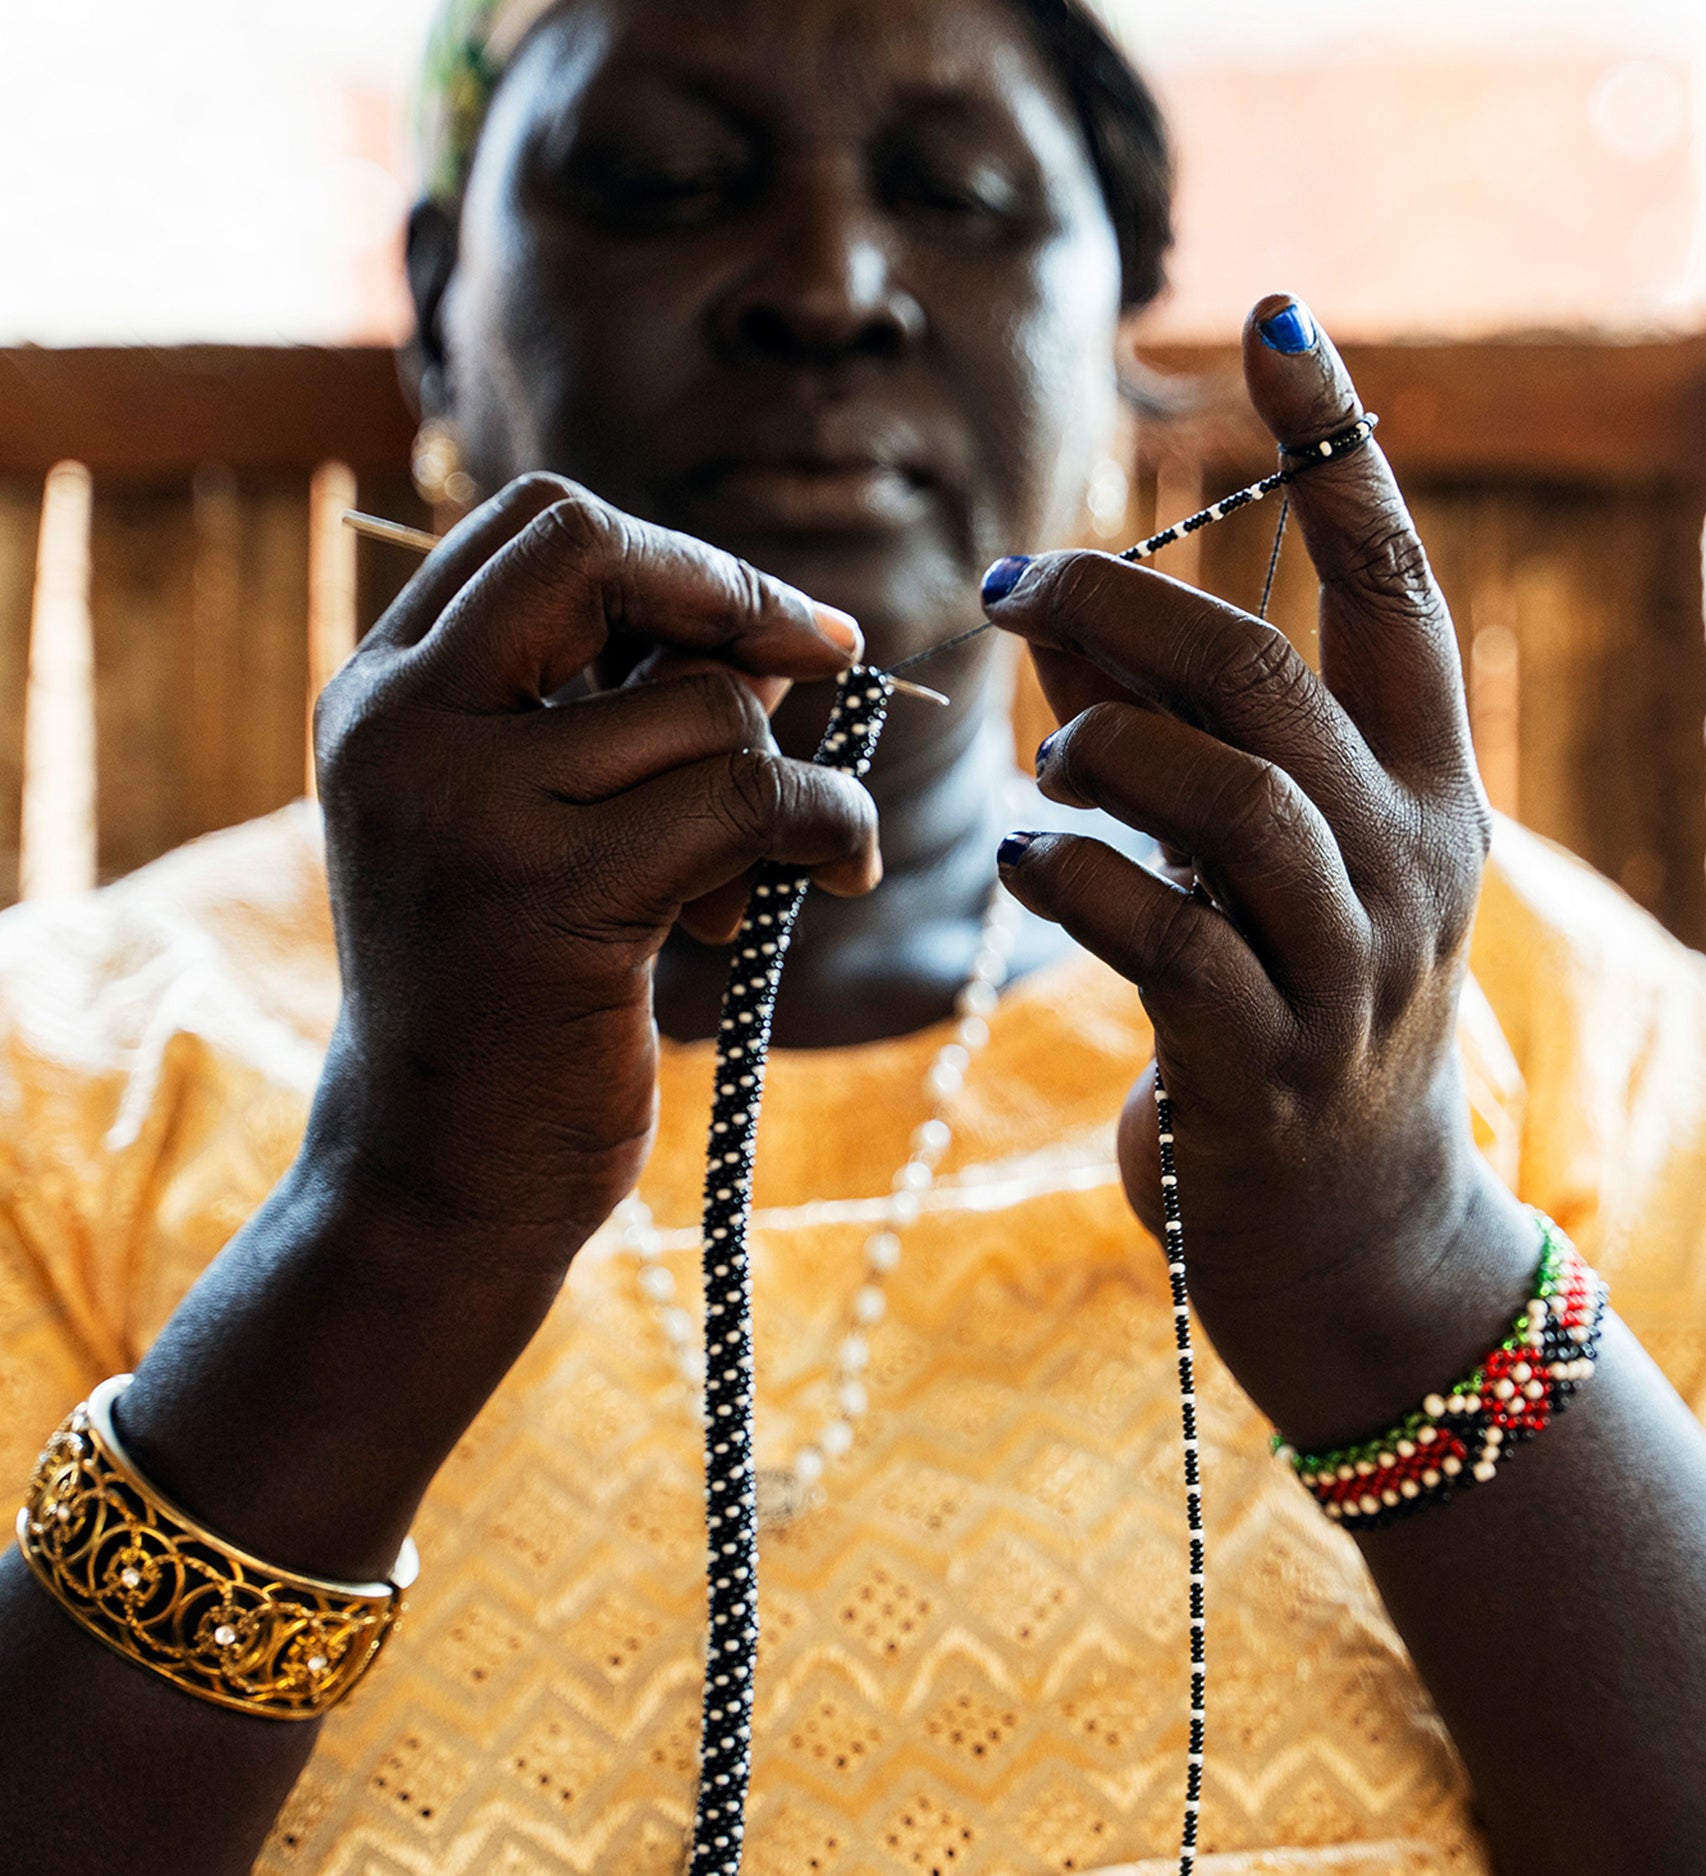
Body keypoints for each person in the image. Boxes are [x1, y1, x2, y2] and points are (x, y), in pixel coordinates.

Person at [3, 0, 1705, 1871]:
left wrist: (1409, 1257)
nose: (826, 285)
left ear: (1113, 323)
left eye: (959, 191)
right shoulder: (63, 1081)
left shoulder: (1523, 1016)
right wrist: (405, 1213)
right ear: (437, 303)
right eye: (663, 185)